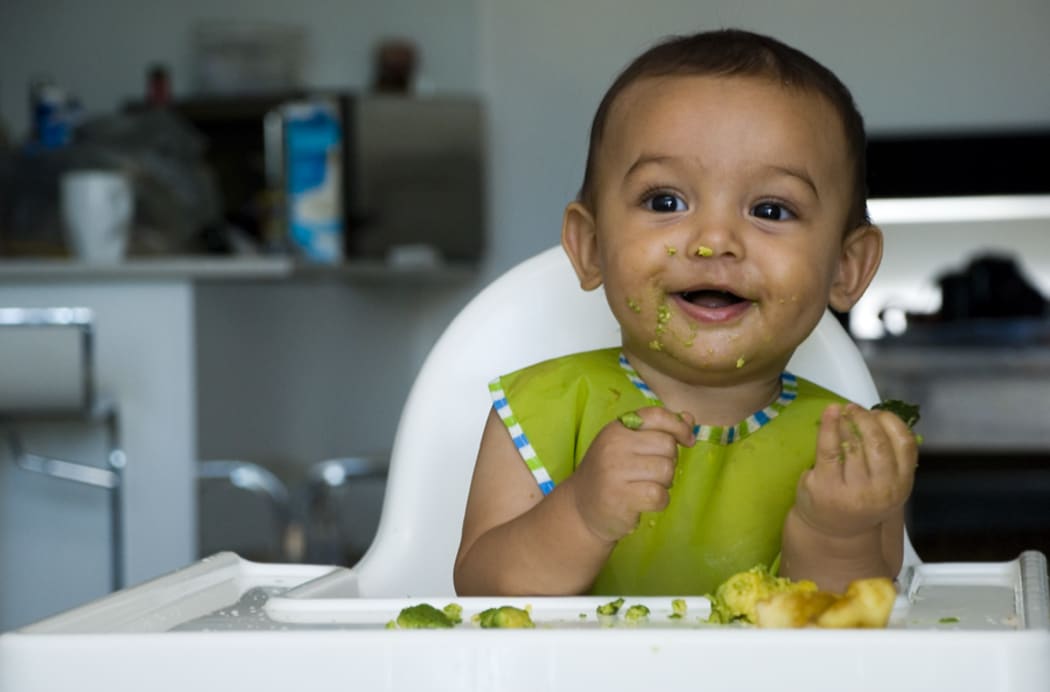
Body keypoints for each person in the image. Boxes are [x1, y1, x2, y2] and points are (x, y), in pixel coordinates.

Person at [454, 28, 917, 597]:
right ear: (591, 245)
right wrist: (581, 514)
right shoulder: (540, 411)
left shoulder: (848, 446)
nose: (713, 241)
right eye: (665, 202)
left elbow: (853, 635)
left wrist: (837, 532)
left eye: (770, 209)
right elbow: (482, 595)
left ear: (847, 268)